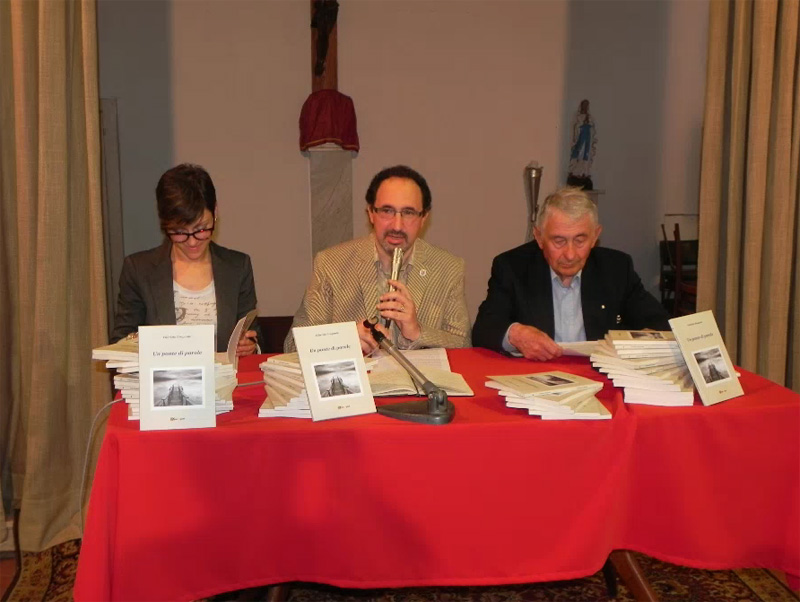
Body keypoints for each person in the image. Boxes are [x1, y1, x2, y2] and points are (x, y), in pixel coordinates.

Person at [284, 165, 470, 354]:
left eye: (408, 212)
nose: (397, 226)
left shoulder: (449, 268)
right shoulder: (330, 263)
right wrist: (344, 341)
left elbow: (464, 345)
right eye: (387, 211)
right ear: (371, 213)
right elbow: (293, 346)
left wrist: (417, 332)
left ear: (424, 218)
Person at [472, 187, 669, 361]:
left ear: (595, 236)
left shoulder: (616, 268)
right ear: (539, 237)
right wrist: (515, 334)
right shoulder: (512, 267)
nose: (570, 254)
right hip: (536, 376)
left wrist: (641, 340)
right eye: (559, 241)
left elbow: (659, 322)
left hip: (599, 375)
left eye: (580, 240)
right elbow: (484, 329)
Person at [111, 164, 261, 355]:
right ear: (164, 224)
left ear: (215, 212)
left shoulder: (237, 267)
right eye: (179, 232)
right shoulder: (139, 270)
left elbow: (254, 335)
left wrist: (250, 346)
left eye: (201, 229)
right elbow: (120, 344)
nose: (192, 242)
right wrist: (141, 343)